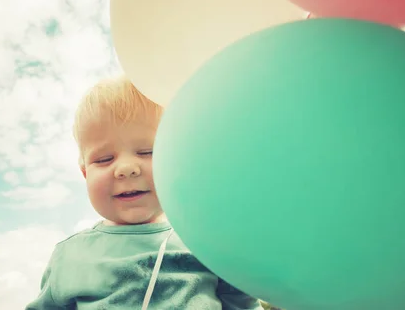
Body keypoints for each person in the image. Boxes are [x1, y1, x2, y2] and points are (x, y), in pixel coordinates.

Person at [25, 76, 263, 309]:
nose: (126, 169)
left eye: (147, 152)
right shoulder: (70, 256)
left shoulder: (207, 245)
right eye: (104, 158)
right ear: (85, 173)